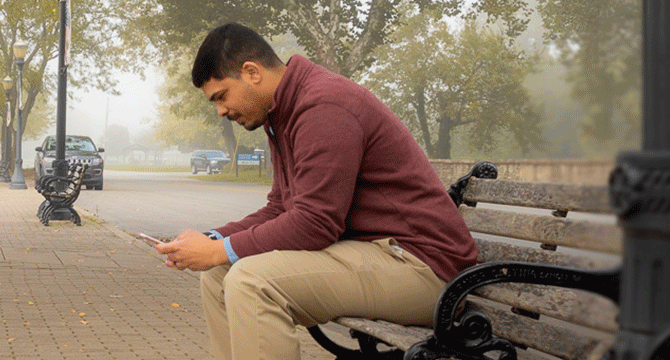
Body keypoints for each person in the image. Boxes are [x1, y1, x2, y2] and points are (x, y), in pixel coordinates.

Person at [153, 23, 476, 360]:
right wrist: (212, 240)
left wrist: (220, 250)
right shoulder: (283, 112)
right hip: (376, 253)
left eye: (221, 96)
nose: (221, 110)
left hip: (426, 268)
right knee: (219, 273)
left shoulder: (324, 106)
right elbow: (281, 207)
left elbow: (315, 224)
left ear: (251, 72)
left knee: (252, 281)